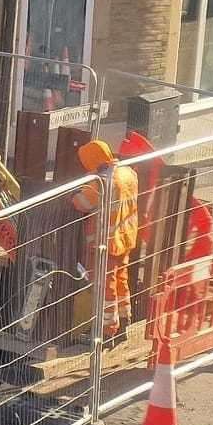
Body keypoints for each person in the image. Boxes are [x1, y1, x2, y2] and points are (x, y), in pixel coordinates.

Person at [71, 138, 138, 335]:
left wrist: (73, 194)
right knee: (121, 280)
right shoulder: (128, 173)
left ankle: (107, 330)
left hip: (107, 243)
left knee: (105, 287)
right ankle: (125, 319)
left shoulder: (102, 182)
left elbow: (81, 204)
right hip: (126, 237)